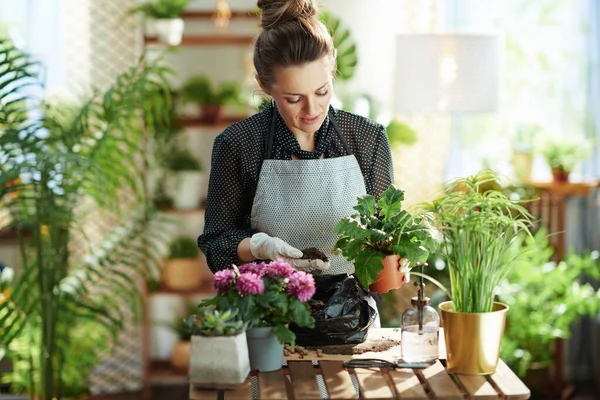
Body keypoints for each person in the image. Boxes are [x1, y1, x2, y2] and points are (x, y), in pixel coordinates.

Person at [198, 0, 403, 329]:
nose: (312, 109)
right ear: (265, 86)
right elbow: (215, 246)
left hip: (352, 324)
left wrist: (396, 260)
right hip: (270, 323)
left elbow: (387, 238)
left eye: (322, 91)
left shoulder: (367, 139)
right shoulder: (238, 144)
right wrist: (259, 247)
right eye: (293, 98)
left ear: (332, 68)